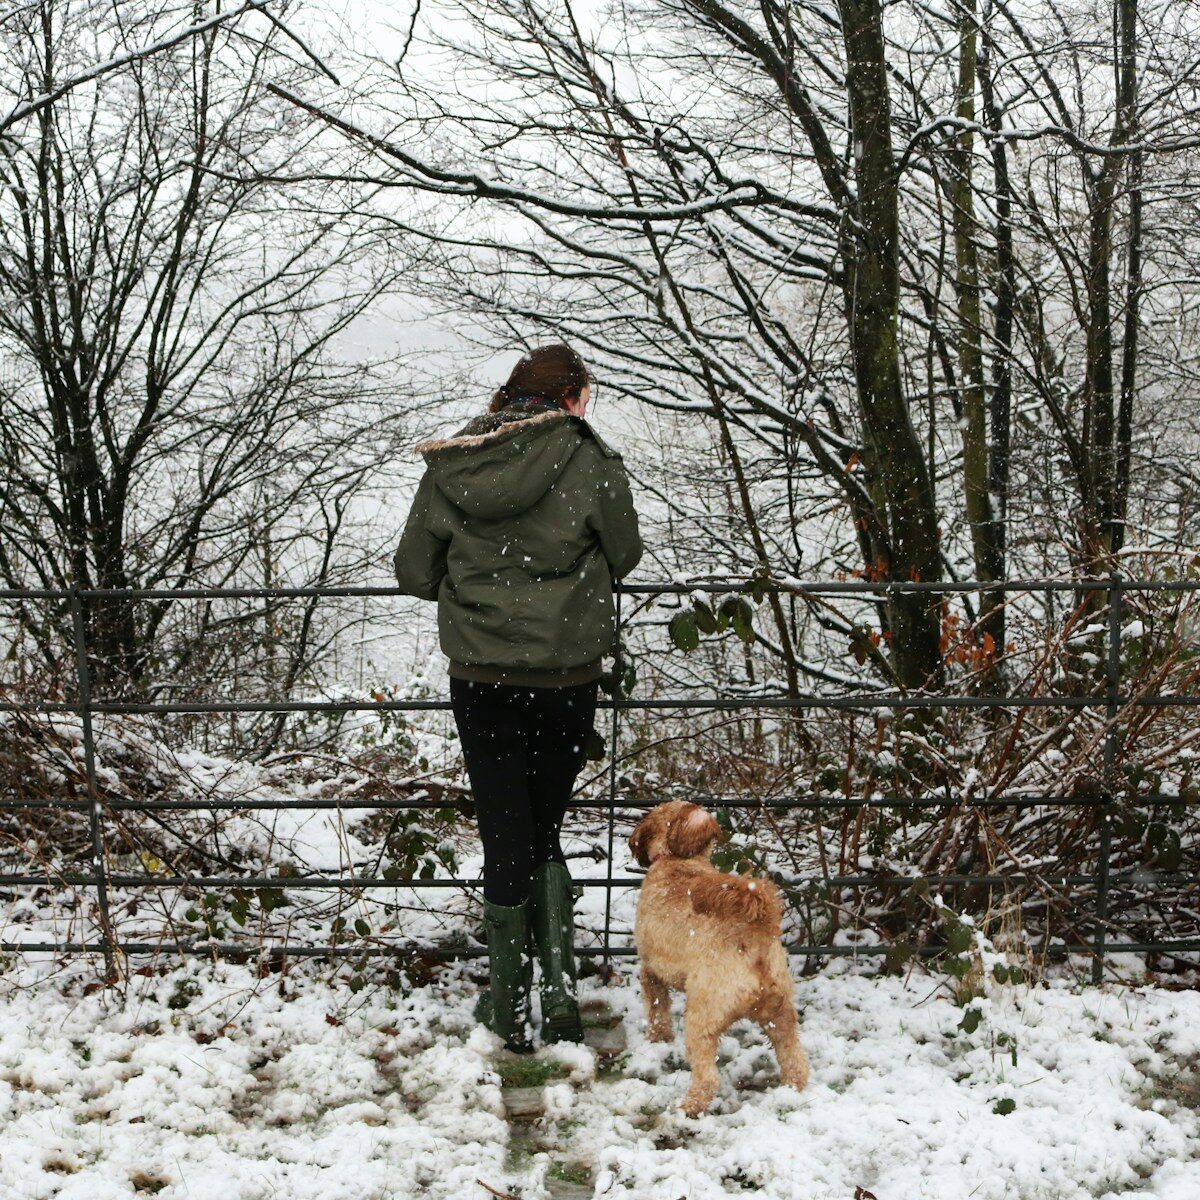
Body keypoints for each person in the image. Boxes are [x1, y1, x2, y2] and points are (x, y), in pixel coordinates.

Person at [393, 343, 642, 1052]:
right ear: (569, 396)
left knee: (506, 830)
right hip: (565, 676)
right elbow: (624, 555)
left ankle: (506, 1009)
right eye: (585, 398)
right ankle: (559, 1000)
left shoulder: (456, 463)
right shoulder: (591, 460)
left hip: (481, 676)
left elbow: (414, 571)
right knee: (544, 828)